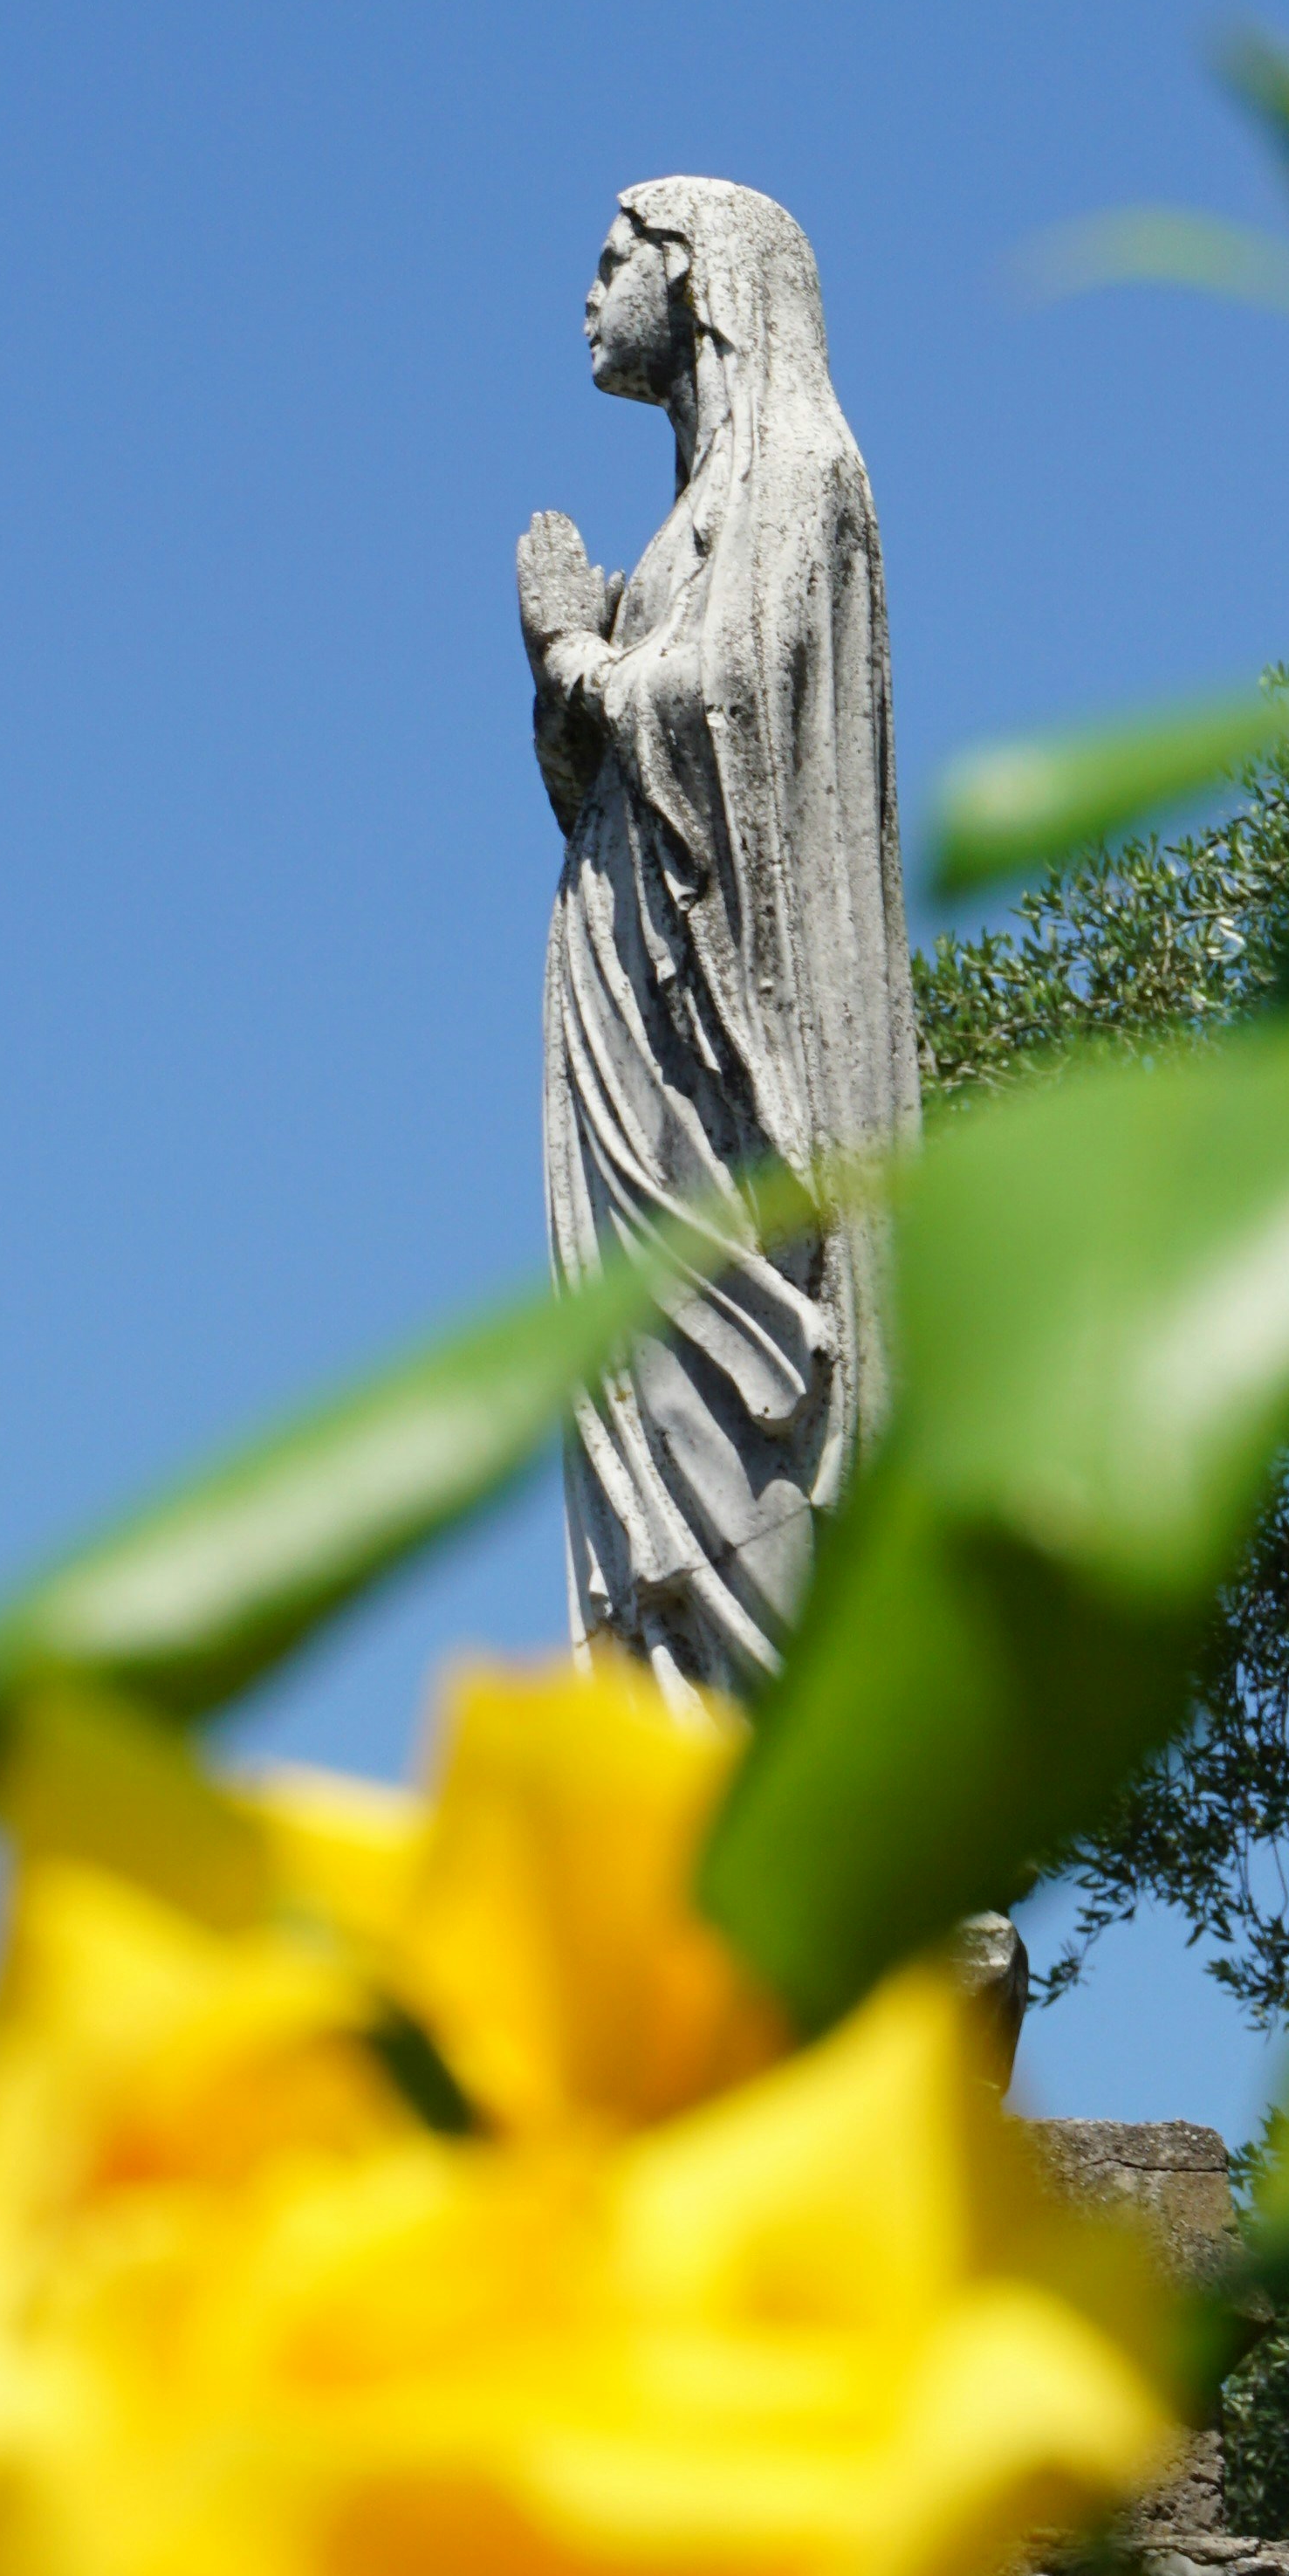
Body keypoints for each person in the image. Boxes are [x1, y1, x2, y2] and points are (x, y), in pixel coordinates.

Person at [518, 177, 921, 1704]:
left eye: (612, 260)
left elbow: (722, 708)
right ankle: (678, 1731)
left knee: (741, 1361)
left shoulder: (799, 474)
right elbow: (612, 772)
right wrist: (582, 667)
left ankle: (788, 1751)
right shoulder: (688, 523)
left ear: (695, 281)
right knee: (642, 1367)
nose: (588, 294)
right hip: (637, 1002)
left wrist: (576, 646)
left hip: (734, 1034)